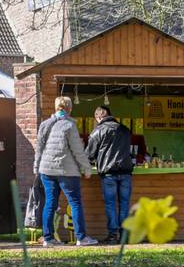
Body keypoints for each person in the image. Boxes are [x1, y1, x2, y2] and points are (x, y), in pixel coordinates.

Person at [34, 95, 98, 246]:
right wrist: (86, 168)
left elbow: (39, 148)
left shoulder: (45, 124)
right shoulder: (69, 125)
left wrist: (36, 167)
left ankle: (48, 238)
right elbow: (78, 150)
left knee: (50, 203)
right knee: (75, 203)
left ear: (56, 107)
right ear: (69, 108)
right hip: (66, 171)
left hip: (46, 170)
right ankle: (81, 238)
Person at [86, 105, 134, 244]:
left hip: (108, 173)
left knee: (111, 204)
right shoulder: (125, 130)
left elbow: (89, 154)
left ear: (99, 117)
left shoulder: (97, 131)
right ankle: (124, 235)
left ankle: (113, 235)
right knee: (124, 204)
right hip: (126, 172)